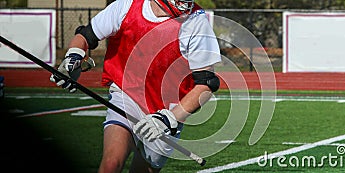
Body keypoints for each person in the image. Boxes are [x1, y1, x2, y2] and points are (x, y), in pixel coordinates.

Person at [50, 0, 221, 172]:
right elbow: (85, 36)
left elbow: (206, 85)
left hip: (167, 110)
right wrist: (72, 58)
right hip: (126, 94)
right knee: (111, 163)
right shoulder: (126, 6)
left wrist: (170, 118)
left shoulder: (196, 21)